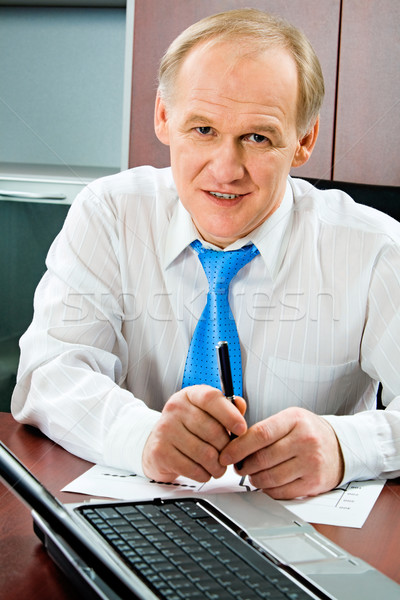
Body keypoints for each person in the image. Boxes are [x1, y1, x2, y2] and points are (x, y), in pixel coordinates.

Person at [11, 9, 400, 500]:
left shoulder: (375, 249)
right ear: (163, 117)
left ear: (303, 141)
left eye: (257, 137)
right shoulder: (109, 214)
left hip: (307, 540)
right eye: (203, 130)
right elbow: (51, 372)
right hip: (130, 521)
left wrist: (347, 447)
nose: (226, 169)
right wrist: (142, 436)